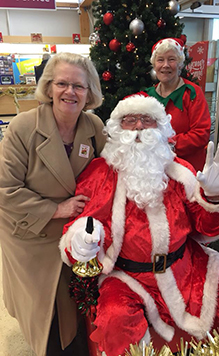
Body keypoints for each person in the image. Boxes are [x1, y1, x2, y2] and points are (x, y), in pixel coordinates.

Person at [59, 95, 219, 356]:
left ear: (160, 129)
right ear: (116, 128)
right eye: (130, 120)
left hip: (187, 270)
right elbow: (79, 227)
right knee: (115, 320)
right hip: (127, 278)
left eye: (147, 120)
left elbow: (208, 228)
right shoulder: (101, 172)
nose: (138, 127)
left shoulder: (180, 171)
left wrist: (214, 197)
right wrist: (80, 243)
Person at [0, 52, 107, 356]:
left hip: (77, 232)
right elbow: (4, 189)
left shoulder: (94, 126)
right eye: (62, 83)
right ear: (48, 88)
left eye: (79, 86)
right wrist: (57, 210)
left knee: (76, 304)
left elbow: (113, 168)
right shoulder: (23, 127)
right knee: (46, 310)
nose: (70, 92)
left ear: (89, 93)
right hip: (32, 231)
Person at [138, 37, 211, 172]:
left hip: (187, 169)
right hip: (155, 169)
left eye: (171, 59)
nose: (165, 65)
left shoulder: (192, 93)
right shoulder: (147, 97)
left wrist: (167, 143)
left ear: (180, 64)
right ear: (154, 65)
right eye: (160, 60)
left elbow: (201, 134)